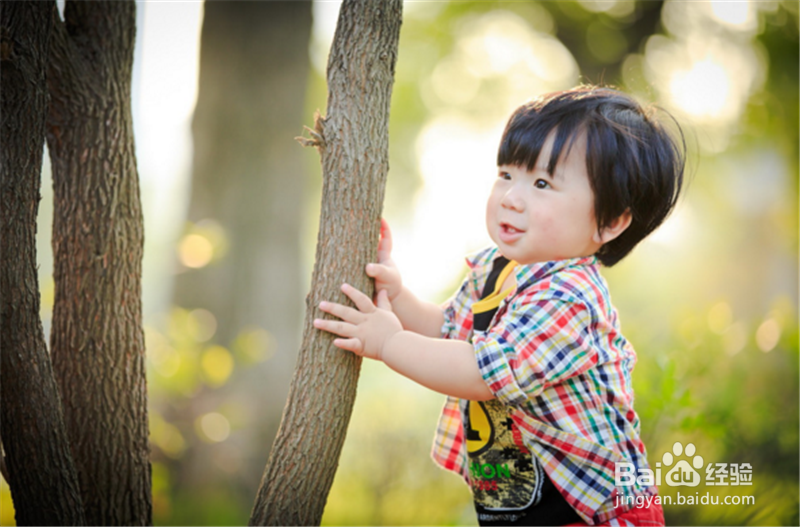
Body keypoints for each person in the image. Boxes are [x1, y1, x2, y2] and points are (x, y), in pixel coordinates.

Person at [313, 85, 685, 526]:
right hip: (525, 503)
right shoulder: (498, 268)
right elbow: (449, 330)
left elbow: (480, 371)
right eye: (506, 174)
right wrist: (395, 294)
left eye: (543, 183)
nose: (511, 196)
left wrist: (388, 342)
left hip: (596, 512)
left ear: (609, 221)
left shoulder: (569, 298)